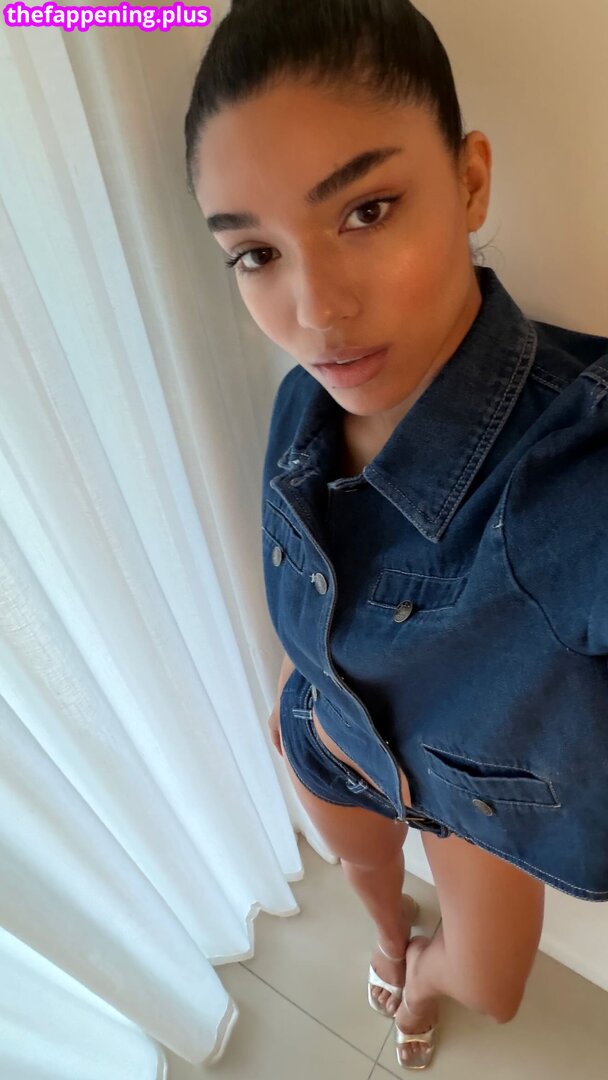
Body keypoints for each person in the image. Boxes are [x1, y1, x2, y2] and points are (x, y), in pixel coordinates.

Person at [184, 0, 608, 1069]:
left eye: (366, 210)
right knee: (368, 884)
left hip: (464, 805)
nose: (315, 310)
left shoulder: (569, 468)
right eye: (255, 254)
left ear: (469, 180)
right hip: (329, 743)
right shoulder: (302, 404)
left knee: (490, 991)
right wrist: (304, 689)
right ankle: (386, 937)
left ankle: (418, 976)